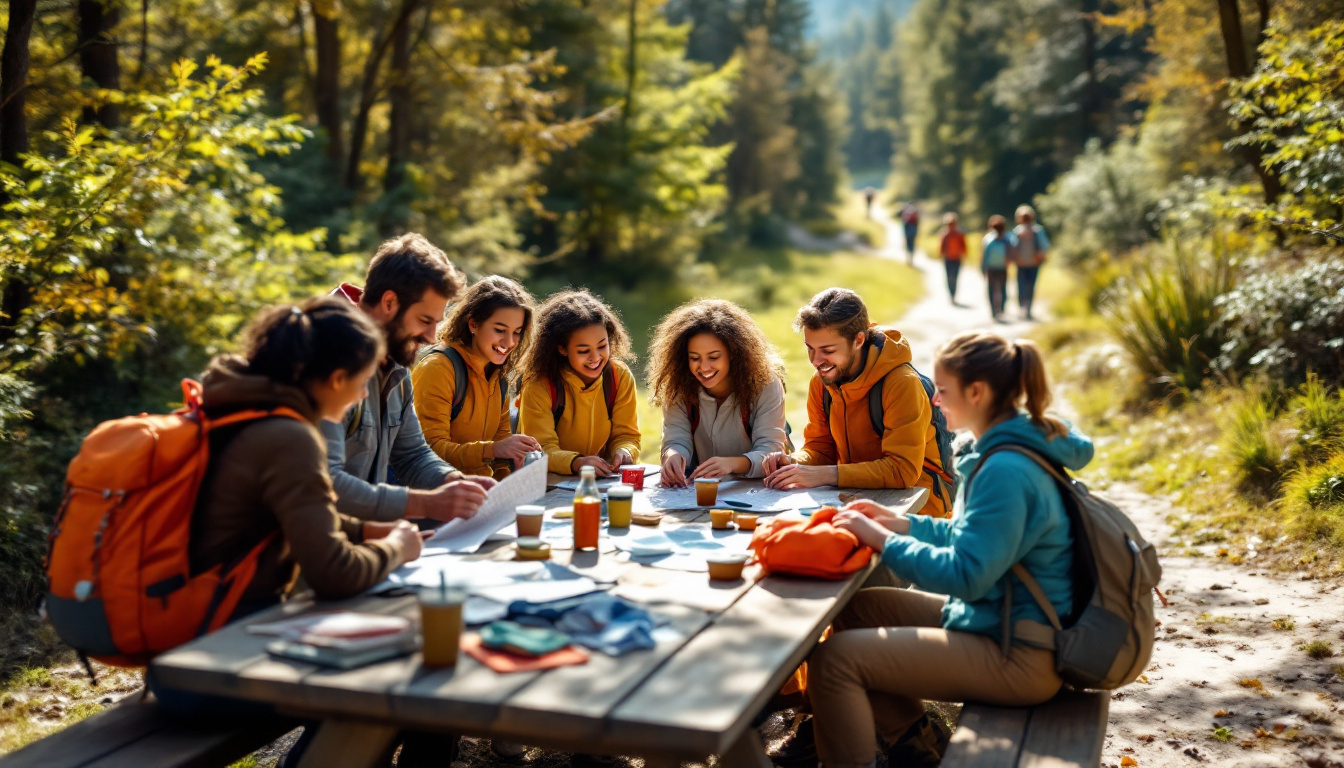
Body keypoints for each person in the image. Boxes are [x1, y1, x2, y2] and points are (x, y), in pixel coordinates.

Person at [801, 332, 1094, 768]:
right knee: (856, 611)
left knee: (834, 662)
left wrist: (884, 541)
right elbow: (970, 534)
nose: (935, 401)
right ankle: (915, 744)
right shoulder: (1006, 448)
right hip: (996, 619)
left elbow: (966, 575)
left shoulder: (1006, 469)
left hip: (1020, 653)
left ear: (977, 393)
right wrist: (901, 523)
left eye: (942, 390)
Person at [148, 298, 424, 725]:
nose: (361, 396)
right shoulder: (289, 438)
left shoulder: (244, 410)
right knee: (403, 665)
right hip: (211, 667)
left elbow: (288, 512)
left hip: (185, 647)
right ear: (337, 378)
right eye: (363, 381)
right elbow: (335, 574)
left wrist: (365, 529)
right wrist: (398, 547)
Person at [325, 233, 495, 525]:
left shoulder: (395, 356)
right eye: (425, 320)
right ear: (389, 302)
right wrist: (424, 503)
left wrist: (455, 482)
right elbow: (322, 481)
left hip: (363, 536)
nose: (431, 337)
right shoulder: (325, 357)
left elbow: (412, 455)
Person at [761, 288, 952, 518]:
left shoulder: (902, 383)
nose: (816, 361)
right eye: (810, 349)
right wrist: (793, 463)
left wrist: (824, 475)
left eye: (827, 350)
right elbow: (820, 448)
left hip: (917, 513)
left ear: (858, 340)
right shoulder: (822, 382)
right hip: (856, 503)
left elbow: (902, 471)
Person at [647, 299, 788, 487]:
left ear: (733, 352)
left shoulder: (765, 384)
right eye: (694, 358)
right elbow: (676, 438)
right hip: (702, 490)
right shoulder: (678, 386)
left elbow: (771, 451)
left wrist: (731, 464)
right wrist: (672, 455)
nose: (704, 367)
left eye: (713, 357)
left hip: (758, 488)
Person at [412, 276, 541, 479]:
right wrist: (491, 449)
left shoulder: (499, 375)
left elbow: (501, 446)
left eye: (517, 332)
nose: (509, 342)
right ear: (473, 324)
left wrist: (510, 470)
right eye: (499, 330)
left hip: (482, 490)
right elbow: (428, 451)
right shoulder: (438, 368)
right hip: (438, 492)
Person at [516, 289, 641, 476]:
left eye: (602, 346)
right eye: (583, 351)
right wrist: (576, 462)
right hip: (548, 483)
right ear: (562, 349)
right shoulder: (539, 385)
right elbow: (540, 449)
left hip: (598, 481)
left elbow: (627, 436)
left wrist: (624, 451)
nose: (595, 358)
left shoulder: (619, 377)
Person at [1012, 204, 1051, 320]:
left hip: (1021, 263)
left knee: (1021, 286)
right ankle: (1028, 309)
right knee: (1031, 286)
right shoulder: (1038, 230)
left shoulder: (1017, 231)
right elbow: (1045, 246)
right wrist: (1042, 258)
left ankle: (1022, 307)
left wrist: (1014, 258)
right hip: (1034, 263)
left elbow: (1012, 247)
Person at [980, 215, 1015, 320]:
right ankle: (1001, 307)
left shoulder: (988, 239)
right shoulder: (1007, 239)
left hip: (991, 268)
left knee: (991, 289)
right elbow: (1011, 253)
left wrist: (983, 269)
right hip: (1003, 267)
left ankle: (993, 310)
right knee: (1003, 288)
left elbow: (984, 256)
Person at [938, 212, 967, 304]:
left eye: (953, 224)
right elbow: (942, 247)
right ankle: (951, 294)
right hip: (948, 259)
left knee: (955, 277)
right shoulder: (945, 234)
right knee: (949, 278)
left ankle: (953, 294)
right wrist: (941, 257)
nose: (951, 226)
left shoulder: (959, 234)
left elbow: (963, 246)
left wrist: (964, 256)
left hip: (957, 259)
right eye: (950, 224)